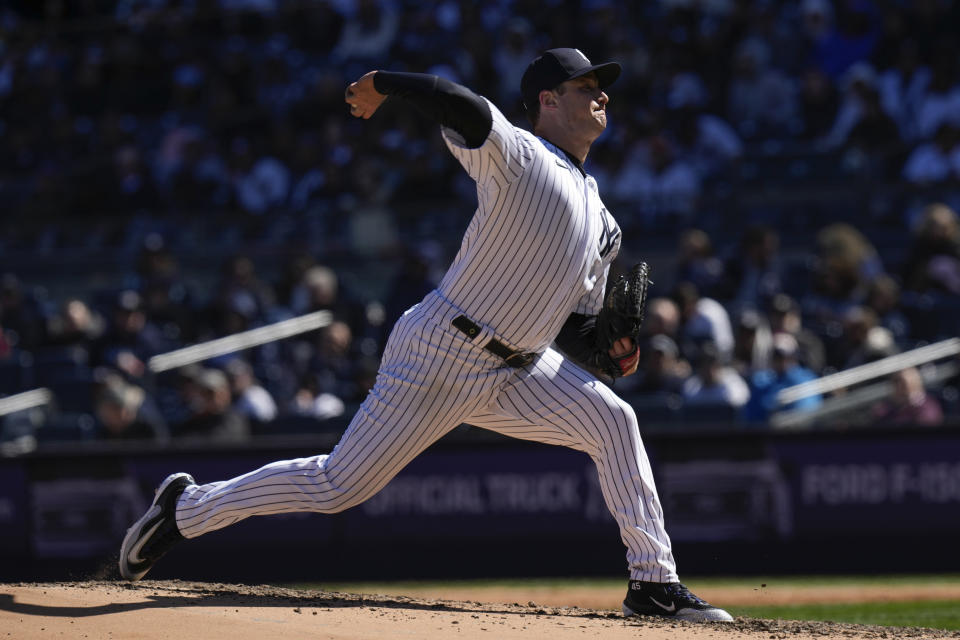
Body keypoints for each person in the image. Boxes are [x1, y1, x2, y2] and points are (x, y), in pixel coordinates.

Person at [118, 48, 733, 623]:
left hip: (520, 368)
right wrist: (387, 84)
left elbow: (576, 328)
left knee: (614, 421)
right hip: (441, 349)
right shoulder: (518, 155)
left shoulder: (605, 223)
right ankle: (186, 510)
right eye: (587, 87)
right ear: (548, 100)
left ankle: (652, 583)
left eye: (603, 90)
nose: (602, 97)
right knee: (338, 486)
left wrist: (613, 351)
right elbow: (457, 102)